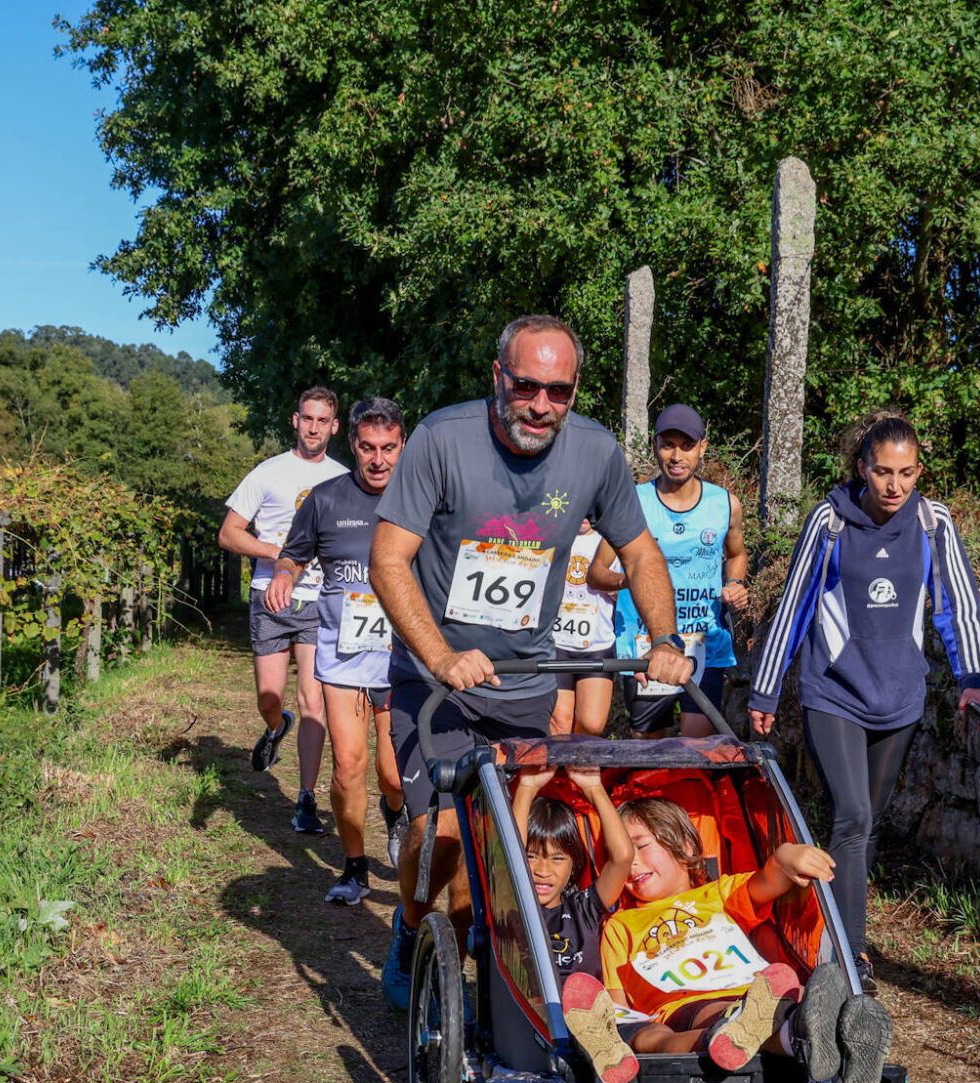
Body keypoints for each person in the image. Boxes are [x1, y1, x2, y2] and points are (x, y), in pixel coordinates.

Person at [370, 313, 695, 1010]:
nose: (541, 406)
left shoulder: (595, 452)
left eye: (560, 391)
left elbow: (639, 553)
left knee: (508, 857)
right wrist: (441, 653)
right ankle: (409, 924)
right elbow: (387, 556)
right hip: (437, 687)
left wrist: (666, 640)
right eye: (526, 387)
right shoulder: (440, 439)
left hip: (523, 685)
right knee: (444, 841)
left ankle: (492, 990)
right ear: (498, 377)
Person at [746, 411, 980, 993]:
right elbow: (796, 605)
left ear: (918, 471)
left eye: (906, 473)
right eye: (883, 471)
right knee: (853, 817)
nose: (894, 486)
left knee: (867, 821)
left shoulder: (934, 523)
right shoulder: (830, 521)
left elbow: (958, 604)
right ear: (861, 467)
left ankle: (826, 925)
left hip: (900, 696)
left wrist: (973, 679)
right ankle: (849, 954)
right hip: (833, 691)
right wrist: (767, 685)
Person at [560, 798, 892, 1083]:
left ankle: (831, 1032)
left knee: (798, 996)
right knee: (733, 1014)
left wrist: (786, 856)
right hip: (688, 1004)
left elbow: (769, 879)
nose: (631, 863)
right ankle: (811, 1036)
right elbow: (620, 1007)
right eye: (620, 855)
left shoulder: (719, 894)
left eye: (641, 846)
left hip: (758, 990)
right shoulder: (621, 925)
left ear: (687, 847)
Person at [268, 396, 410, 904]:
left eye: (388, 448)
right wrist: (285, 576)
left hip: (402, 661)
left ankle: (396, 812)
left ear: (403, 445)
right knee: (348, 765)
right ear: (351, 444)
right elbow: (293, 553)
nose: (378, 460)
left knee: (392, 774)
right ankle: (354, 868)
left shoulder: (422, 500)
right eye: (368, 448)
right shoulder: (326, 498)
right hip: (344, 657)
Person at [220, 387, 348, 835]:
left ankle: (306, 797)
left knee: (313, 700)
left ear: (334, 426)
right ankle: (276, 728)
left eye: (323, 421)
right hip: (269, 596)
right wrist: (279, 554)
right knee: (269, 699)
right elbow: (229, 533)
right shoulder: (268, 472)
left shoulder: (343, 478)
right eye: (307, 419)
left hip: (321, 600)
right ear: (295, 421)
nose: (314, 428)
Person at [589, 404, 749, 738]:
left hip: (703, 641)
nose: (676, 456)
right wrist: (632, 580)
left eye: (686, 446)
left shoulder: (725, 504)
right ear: (655, 446)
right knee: (649, 749)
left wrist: (735, 583)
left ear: (702, 447)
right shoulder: (632, 501)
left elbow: (736, 554)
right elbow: (597, 573)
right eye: (668, 444)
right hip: (644, 643)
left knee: (697, 747)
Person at [509, 766, 632, 980]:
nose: (543, 871)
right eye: (530, 856)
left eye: (557, 859)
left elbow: (622, 857)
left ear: (574, 865)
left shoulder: (584, 909)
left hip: (586, 1007)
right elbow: (508, 856)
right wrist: (526, 788)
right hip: (532, 1008)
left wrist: (594, 789)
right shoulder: (509, 908)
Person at [549, 520, 617, 736]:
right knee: (560, 721)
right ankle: (559, 766)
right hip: (557, 642)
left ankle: (577, 763)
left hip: (597, 642)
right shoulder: (554, 536)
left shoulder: (611, 542)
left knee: (591, 725)